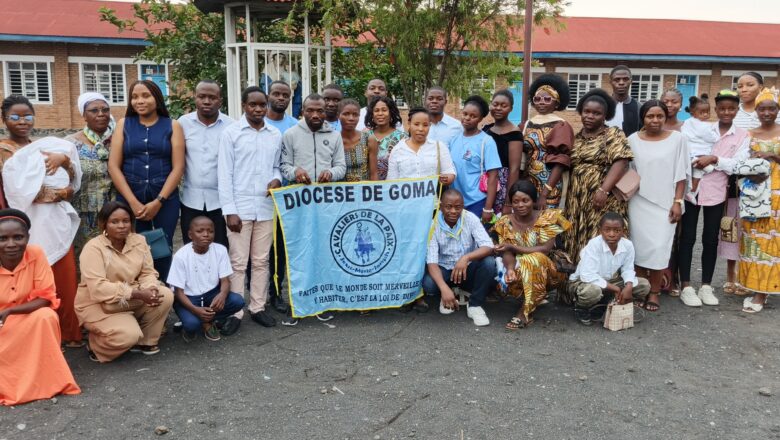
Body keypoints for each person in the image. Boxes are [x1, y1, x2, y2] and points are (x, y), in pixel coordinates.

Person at [1, 95, 83, 348]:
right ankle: (35, 333)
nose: (23, 121)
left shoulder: (45, 147)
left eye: (28, 116)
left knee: (66, 278)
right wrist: (53, 192)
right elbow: (17, 191)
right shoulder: (4, 151)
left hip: (55, 222)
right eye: (15, 116)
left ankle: (69, 331)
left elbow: (70, 185)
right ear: (4, 119)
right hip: (23, 225)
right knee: (33, 281)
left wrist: (66, 163)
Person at [218, 86, 282, 332]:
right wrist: (229, 211)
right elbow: (224, 174)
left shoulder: (274, 134)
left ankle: (258, 307)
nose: (258, 109)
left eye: (261, 105)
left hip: (265, 206)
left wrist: (277, 178)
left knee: (261, 260)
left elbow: (277, 166)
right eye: (252, 104)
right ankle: (235, 311)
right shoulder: (231, 133)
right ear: (243, 105)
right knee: (237, 261)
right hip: (239, 208)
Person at [75, 201, 174, 362]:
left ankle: (145, 341)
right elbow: (98, 288)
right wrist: (137, 293)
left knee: (164, 295)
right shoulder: (93, 248)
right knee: (127, 336)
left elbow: (147, 272)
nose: (121, 226)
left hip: (129, 298)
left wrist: (151, 288)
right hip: (98, 304)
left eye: (126, 221)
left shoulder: (139, 240)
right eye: (114, 222)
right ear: (104, 224)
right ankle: (96, 346)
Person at [0, 209, 81, 405]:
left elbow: (46, 297)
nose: (11, 244)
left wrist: (10, 311)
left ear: (28, 237)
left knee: (46, 316)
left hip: (25, 318)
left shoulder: (36, 253)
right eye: (3, 238)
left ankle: (48, 381)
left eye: (18, 237)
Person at [678, 90, 750, 307]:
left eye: (731, 108)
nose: (726, 112)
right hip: (692, 190)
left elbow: (738, 164)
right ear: (715, 110)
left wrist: (715, 158)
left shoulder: (742, 136)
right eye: (722, 108)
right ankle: (686, 286)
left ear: (737, 110)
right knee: (687, 237)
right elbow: (686, 150)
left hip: (718, 192)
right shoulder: (701, 127)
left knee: (710, 238)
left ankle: (707, 286)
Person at [108, 80, 184, 283]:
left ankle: (162, 295)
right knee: (130, 247)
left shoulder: (172, 125)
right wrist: (132, 202)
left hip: (165, 199)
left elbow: (178, 167)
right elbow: (114, 166)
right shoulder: (124, 124)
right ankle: (135, 296)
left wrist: (159, 200)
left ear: (157, 99)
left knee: (163, 247)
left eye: (146, 96)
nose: (140, 101)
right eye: (135, 97)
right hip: (129, 198)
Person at [279, 94, 346, 324]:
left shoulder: (334, 136)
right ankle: (295, 303)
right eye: (310, 111)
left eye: (319, 111)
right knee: (298, 252)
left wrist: (332, 174)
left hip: (326, 205)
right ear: (303, 111)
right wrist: (295, 172)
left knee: (323, 252)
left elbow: (341, 167)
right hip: (299, 204)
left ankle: (321, 301)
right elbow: (284, 166)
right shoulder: (290, 135)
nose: (315, 115)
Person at [627, 100, 689, 313]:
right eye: (650, 116)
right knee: (639, 248)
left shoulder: (678, 139)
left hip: (666, 204)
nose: (655, 120)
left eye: (659, 116)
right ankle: (641, 290)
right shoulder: (632, 140)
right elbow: (628, 171)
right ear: (642, 118)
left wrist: (678, 202)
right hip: (638, 201)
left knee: (659, 249)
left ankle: (654, 291)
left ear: (665, 117)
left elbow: (682, 174)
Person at [563, 89, 633, 264]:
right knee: (577, 237)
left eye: (596, 113)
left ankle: (605, 286)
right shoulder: (577, 137)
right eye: (586, 111)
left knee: (600, 238)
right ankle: (577, 286)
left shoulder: (613, 134)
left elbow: (621, 161)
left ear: (605, 116)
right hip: (577, 199)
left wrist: (603, 190)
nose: (590, 116)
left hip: (603, 198)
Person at [494, 181, 571, 329]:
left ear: (533, 201)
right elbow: (507, 251)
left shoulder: (546, 218)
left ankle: (524, 312)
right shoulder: (505, 222)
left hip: (548, 271)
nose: (520, 205)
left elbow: (545, 249)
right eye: (516, 201)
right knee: (508, 273)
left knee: (534, 258)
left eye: (525, 200)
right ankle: (534, 297)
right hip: (520, 270)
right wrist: (510, 269)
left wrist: (513, 246)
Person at [423, 189, 496, 326]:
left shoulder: (470, 218)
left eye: (458, 207)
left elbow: (488, 246)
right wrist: (444, 288)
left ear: (463, 206)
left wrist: (466, 258)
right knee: (429, 284)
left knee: (489, 263)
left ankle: (474, 305)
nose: (453, 211)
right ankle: (448, 294)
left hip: (467, 269)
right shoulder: (433, 225)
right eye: (448, 207)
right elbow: (432, 262)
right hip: (445, 269)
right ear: (441, 205)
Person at [168, 216, 245, 341]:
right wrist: (195, 310)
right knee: (192, 324)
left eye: (210, 231)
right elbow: (179, 292)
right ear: (190, 234)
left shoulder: (220, 250)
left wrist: (222, 295)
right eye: (200, 231)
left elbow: (225, 280)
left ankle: (208, 320)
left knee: (238, 301)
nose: (206, 234)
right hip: (189, 299)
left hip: (211, 295)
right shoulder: (181, 256)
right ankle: (200, 322)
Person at [568, 212, 650, 326]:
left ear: (623, 231)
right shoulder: (594, 245)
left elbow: (628, 268)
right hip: (583, 282)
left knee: (643, 285)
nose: (612, 234)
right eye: (607, 230)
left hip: (609, 281)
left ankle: (608, 301)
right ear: (600, 230)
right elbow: (588, 275)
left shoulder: (628, 245)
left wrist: (629, 286)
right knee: (592, 292)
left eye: (617, 230)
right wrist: (616, 289)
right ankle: (581, 308)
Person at [178, 80, 234, 248]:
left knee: (221, 247)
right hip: (190, 200)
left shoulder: (231, 126)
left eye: (212, 97)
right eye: (202, 97)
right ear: (195, 98)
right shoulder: (182, 123)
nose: (207, 101)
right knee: (192, 247)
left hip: (220, 201)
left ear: (220, 101)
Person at [740, 88, 780, 313]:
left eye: (771, 108)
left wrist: (773, 156)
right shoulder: (748, 134)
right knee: (754, 240)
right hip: (755, 194)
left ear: (777, 110)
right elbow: (740, 163)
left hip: (777, 197)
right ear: (755, 111)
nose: (766, 113)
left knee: (772, 243)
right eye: (762, 108)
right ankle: (755, 286)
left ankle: (762, 293)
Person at [65, 92, 115, 257]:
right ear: (84, 115)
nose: (101, 114)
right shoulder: (71, 144)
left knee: (113, 257)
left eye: (105, 109)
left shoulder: (119, 140)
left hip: (114, 213)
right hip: (83, 215)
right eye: (94, 110)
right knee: (86, 257)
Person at [522, 74, 574, 209]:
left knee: (547, 224)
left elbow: (560, 161)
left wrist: (545, 194)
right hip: (527, 184)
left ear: (556, 103)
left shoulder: (561, 125)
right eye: (537, 99)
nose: (541, 102)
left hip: (550, 185)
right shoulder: (527, 124)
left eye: (547, 99)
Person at [449, 95, 501, 222]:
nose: (467, 118)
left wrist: (488, 208)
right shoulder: (454, 140)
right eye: (465, 114)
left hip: (477, 202)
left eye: (473, 116)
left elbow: (493, 177)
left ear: (480, 119)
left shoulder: (486, 141)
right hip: (455, 202)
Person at [386, 107, 456, 184]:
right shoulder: (397, 150)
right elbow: (391, 180)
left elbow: (449, 171)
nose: (421, 129)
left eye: (425, 125)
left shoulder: (439, 147)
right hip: (404, 196)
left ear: (430, 125)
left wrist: (446, 178)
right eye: (416, 124)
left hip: (431, 196)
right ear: (409, 124)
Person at [483, 90, 523, 214]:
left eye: (503, 105)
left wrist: (508, 201)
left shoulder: (514, 134)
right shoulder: (486, 130)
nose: (498, 108)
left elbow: (514, 169)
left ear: (511, 108)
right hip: (484, 181)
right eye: (495, 104)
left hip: (503, 184)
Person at [682, 94, 718, 198]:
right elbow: (711, 138)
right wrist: (716, 136)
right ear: (693, 112)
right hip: (699, 153)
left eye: (707, 112)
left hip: (690, 152)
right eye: (702, 113)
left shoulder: (687, 122)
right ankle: (692, 191)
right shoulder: (704, 126)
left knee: (693, 174)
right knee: (700, 172)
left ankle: (691, 191)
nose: (705, 115)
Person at [365, 96, 407, 180]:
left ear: (391, 112)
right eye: (376, 110)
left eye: (384, 110)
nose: (380, 113)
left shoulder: (402, 138)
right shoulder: (365, 136)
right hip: (368, 187)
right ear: (372, 114)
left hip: (393, 186)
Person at [340, 99, 377, 181]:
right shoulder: (334, 140)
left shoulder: (369, 139)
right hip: (340, 192)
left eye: (355, 115)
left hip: (364, 191)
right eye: (346, 114)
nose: (351, 118)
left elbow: (374, 173)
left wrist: (375, 192)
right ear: (338, 116)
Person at [605, 65, 641, 137]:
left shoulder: (638, 107)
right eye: (617, 79)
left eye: (625, 79)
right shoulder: (603, 105)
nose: (621, 82)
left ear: (631, 81)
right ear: (610, 82)